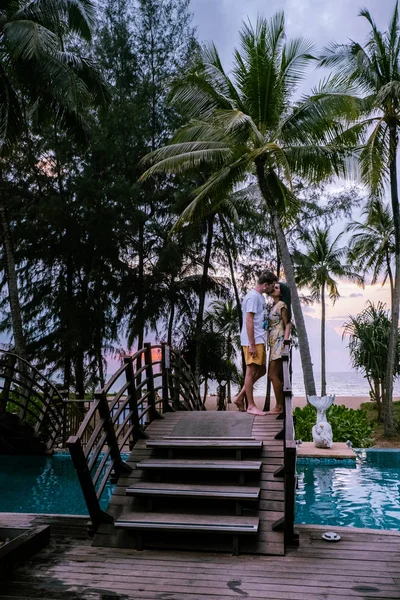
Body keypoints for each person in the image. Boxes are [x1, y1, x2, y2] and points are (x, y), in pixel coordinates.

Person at [234, 271, 278, 415]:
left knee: (261, 371)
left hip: (259, 339)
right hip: (253, 340)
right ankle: (251, 405)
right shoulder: (253, 297)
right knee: (251, 371)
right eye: (272, 286)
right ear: (266, 285)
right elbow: (249, 320)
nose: (273, 289)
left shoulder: (259, 297)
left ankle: (240, 397)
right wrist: (252, 344)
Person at [267, 282, 292, 414]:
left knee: (273, 374)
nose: (273, 289)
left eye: (276, 288)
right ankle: (280, 406)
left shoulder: (282, 305)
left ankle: (279, 406)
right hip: (273, 342)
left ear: (281, 292)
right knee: (274, 375)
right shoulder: (274, 306)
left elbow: (287, 323)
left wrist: (285, 340)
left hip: (279, 341)